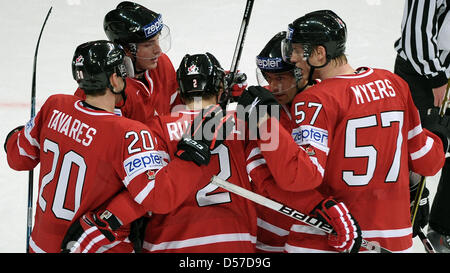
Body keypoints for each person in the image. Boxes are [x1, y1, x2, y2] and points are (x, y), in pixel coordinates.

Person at [3, 40, 210, 253]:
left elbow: (18, 159)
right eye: (123, 73)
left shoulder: (54, 106)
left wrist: (14, 135)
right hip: (97, 248)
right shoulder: (129, 133)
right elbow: (158, 197)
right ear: (114, 79)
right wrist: (191, 156)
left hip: (40, 246)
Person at [275, 9, 446, 252]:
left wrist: (266, 126)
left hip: (332, 237)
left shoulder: (315, 99)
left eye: (296, 50)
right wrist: (438, 137)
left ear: (320, 53)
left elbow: (304, 175)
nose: (291, 58)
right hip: (393, 238)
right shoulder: (394, 84)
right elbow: (427, 162)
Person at [393, 0, 450, 252]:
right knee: (415, 154)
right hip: (425, 75)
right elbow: (416, 36)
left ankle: (443, 227)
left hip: (441, 73)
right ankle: (399, 225)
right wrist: (436, 77)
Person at [103, 1, 182, 118]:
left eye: (157, 39)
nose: (158, 50)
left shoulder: (162, 63)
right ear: (127, 49)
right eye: (148, 44)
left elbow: (177, 108)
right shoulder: (105, 88)